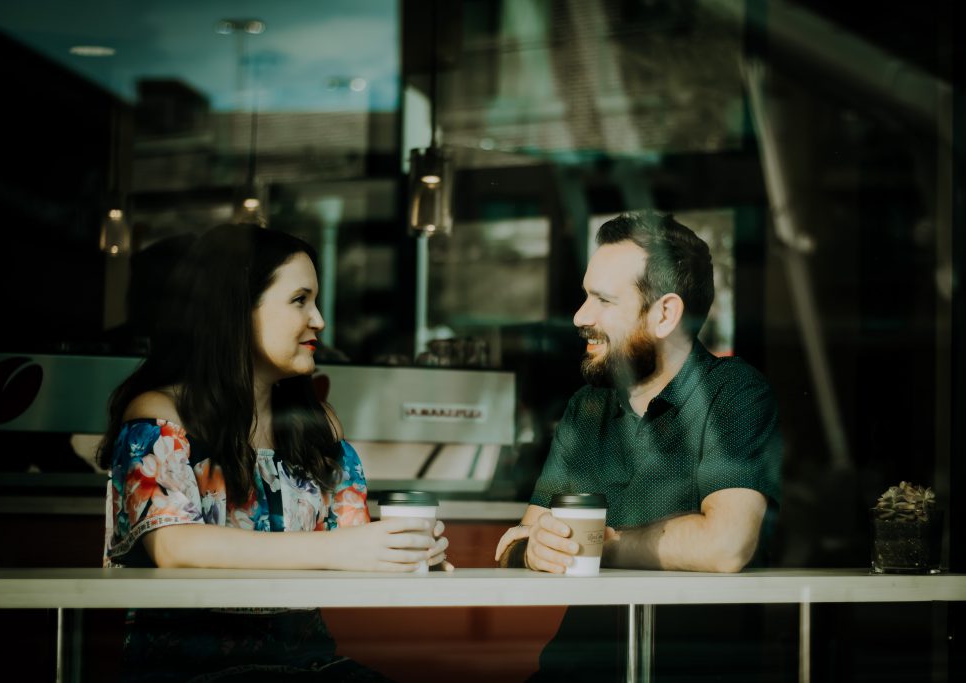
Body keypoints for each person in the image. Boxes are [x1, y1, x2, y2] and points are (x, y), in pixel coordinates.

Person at [98, 224, 451, 682]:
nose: (319, 320)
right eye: (300, 300)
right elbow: (174, 546)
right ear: (235, 311)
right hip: (192, 666)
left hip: (308, 662)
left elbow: (349, 541)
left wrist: (405, 552)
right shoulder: (159, 415)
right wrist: (345, 548)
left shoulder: (316, 424)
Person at [495, 212, 782, 681]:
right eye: (586, 295)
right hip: (574, 669)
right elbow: (521, 539)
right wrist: (532, 550)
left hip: (689, 670)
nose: (579, 316)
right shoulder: (588, 406)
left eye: (603, 300)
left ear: (665, 313)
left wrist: (598, 546)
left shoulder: (734, 394)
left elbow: (726, 545)